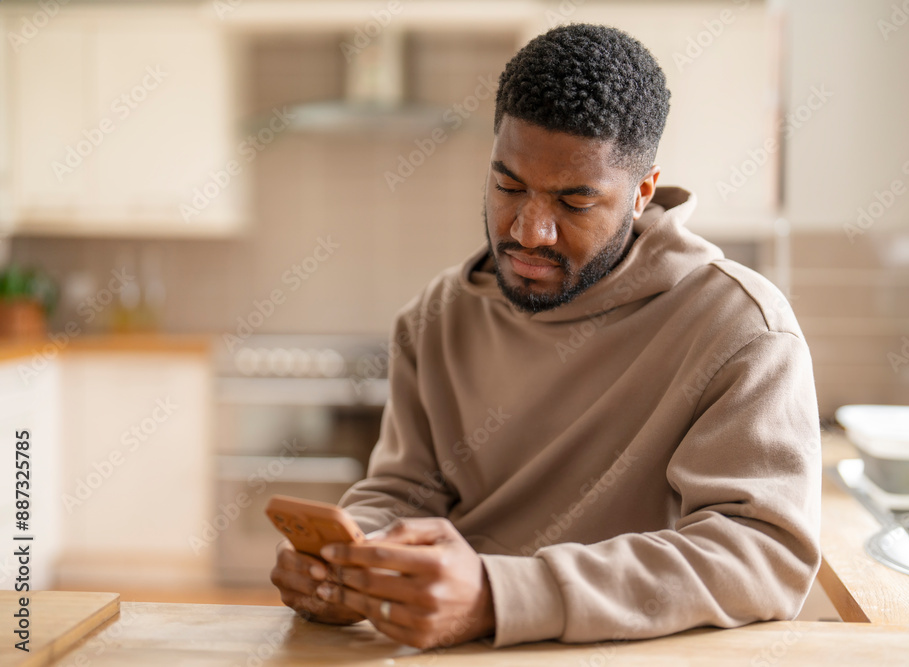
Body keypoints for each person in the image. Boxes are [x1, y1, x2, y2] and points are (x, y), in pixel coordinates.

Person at [270, 23, 821, 651]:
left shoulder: (740, 329)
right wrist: (352, 560)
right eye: (509, 186)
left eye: (575, 203)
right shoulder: (438, 316)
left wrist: (502, 596)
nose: (531, 232)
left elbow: (763, 555)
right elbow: (406, 491)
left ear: (641, 192)